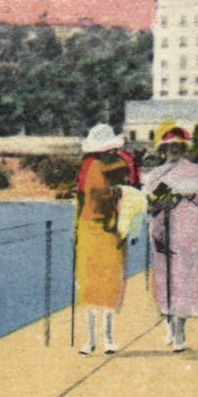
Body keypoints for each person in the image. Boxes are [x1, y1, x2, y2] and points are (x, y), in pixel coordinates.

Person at [142, 126, 198, 352]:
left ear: (183, 148)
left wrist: (191, 194)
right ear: (164, 150)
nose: (173, 150)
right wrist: (161, 200)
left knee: (183, 279)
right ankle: (169, 323)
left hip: (187, 228)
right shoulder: (156, 174)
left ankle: (180, 330)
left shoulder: (196, 172)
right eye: (170, 147)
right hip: (162, 231)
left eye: (178, 146)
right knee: (164, 279)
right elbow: (149, 204)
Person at [73, 123, 140, 355]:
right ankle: (90, 339)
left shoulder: (123, 165)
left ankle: (108, 338)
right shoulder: (87, 166)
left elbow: (133, 198)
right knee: (88, 285)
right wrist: (75, 230)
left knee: (111, 284)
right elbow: (80, 200)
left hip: (113, 229)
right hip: (88, 228)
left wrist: (132, 228)